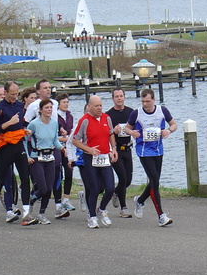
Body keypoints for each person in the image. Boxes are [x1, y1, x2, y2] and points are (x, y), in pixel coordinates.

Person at [125, 88, 177, 227]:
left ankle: (140, 200)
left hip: (158, 150)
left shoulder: (162, 111)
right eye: (143, 101)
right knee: (154, 180)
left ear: (154, 100)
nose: (145, 104)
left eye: (148, 101)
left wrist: (168, 131)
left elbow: (174, 124)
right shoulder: (136, 113)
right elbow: (127, 128)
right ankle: (161, 215)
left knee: (155, 180)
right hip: (143, 151)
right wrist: (132, 132)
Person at [0, 81, 36, 226]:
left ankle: (26, 213)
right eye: (12, 94)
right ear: (6, 93)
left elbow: (19, 124)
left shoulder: (19, 106)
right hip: (5, 146)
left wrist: (23, 130)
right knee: (1, 179)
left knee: (24, 177)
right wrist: (8, 123)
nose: (15, 97)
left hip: (18, 145)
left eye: (17, 94)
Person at [72, 95, 118, 229]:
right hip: (90, 158)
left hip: (104, 157)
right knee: (94, 189)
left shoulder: (106, 118)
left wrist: (113, 149)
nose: (99, 108)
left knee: (110, 188)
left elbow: (110, 134)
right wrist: (89, 149)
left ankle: (101, 209)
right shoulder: (84, 121)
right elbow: (75, 140)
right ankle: (91, 216)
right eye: (96, 106)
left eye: (100, 105)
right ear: (89, 107)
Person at [25, 99, 63, 224]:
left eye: (51, 108)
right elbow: (25, 140)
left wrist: (62, 148)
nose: (49, 110)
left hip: (50, 157)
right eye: (46, 108)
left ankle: (41, 214)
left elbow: (55, 140)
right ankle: (31, 199)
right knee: (42, 188)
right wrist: (28, 156)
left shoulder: (54, 123)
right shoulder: (34, 124)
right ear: (40, 110)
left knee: (49, 188)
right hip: (37, 157)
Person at [106, 88, 134, 218]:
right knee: (122, 178)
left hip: (127, 149)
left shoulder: (131, 112)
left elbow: (136, 127)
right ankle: (124, 208)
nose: (119, 98)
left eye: (121, 96)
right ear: (113, 99)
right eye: (116, 96)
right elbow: (105, 134)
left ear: (124, 97)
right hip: (116, 150)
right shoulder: (108, 115)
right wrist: (114, 132)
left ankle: (116, 192)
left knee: (128, 180)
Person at [54, 92, 75, 216]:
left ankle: (66, 199)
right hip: (58, 147)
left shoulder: (69, 116)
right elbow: (53, 135)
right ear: (58, 104)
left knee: (69, 172)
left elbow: (71, 131)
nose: (66, 104)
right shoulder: (55, 116)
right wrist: (63, 138)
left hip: (68, 147)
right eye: (64, 102)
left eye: (67, 102)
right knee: (58, 175)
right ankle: (58, 202)